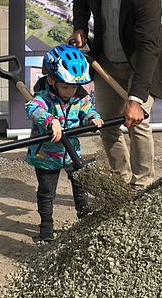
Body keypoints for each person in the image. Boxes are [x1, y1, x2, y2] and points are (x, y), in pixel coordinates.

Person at [69, 0, 162, 188]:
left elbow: (149, 46)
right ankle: (121, 181)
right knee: (107, 123)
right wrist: (80, 28)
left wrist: (136, 99)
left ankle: (142, 184)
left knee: (137, 123)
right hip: (106, 63)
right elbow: (81, 3)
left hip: (138, 63)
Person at [25, 44, 104, 242]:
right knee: (47, 192)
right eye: (66, 87)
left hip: (71, 152)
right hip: (46, 155)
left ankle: (84, 217)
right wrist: (50, 121)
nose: (70, 92)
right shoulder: (43, 98)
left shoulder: (79, 97)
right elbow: (32, 108)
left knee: (79, 183)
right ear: (52, 80)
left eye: (74, 87)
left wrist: (93, 118)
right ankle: (46, 228)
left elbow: (88, 110)